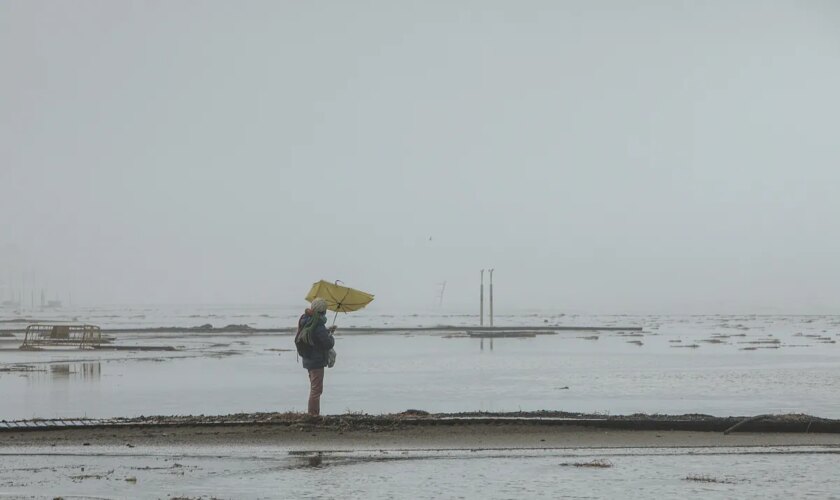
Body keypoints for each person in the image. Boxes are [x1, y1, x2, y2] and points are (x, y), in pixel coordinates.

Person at [296, 298, 336, 416]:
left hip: (308, 358)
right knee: (316, 390)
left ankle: (313, 414)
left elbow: (314, 336)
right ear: (322, 311)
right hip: (316, 360)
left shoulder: (306, 320)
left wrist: (327, 331)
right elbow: (327, 343)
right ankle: (313, 415)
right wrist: (331, 337)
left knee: (314, 388)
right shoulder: (318, 324)